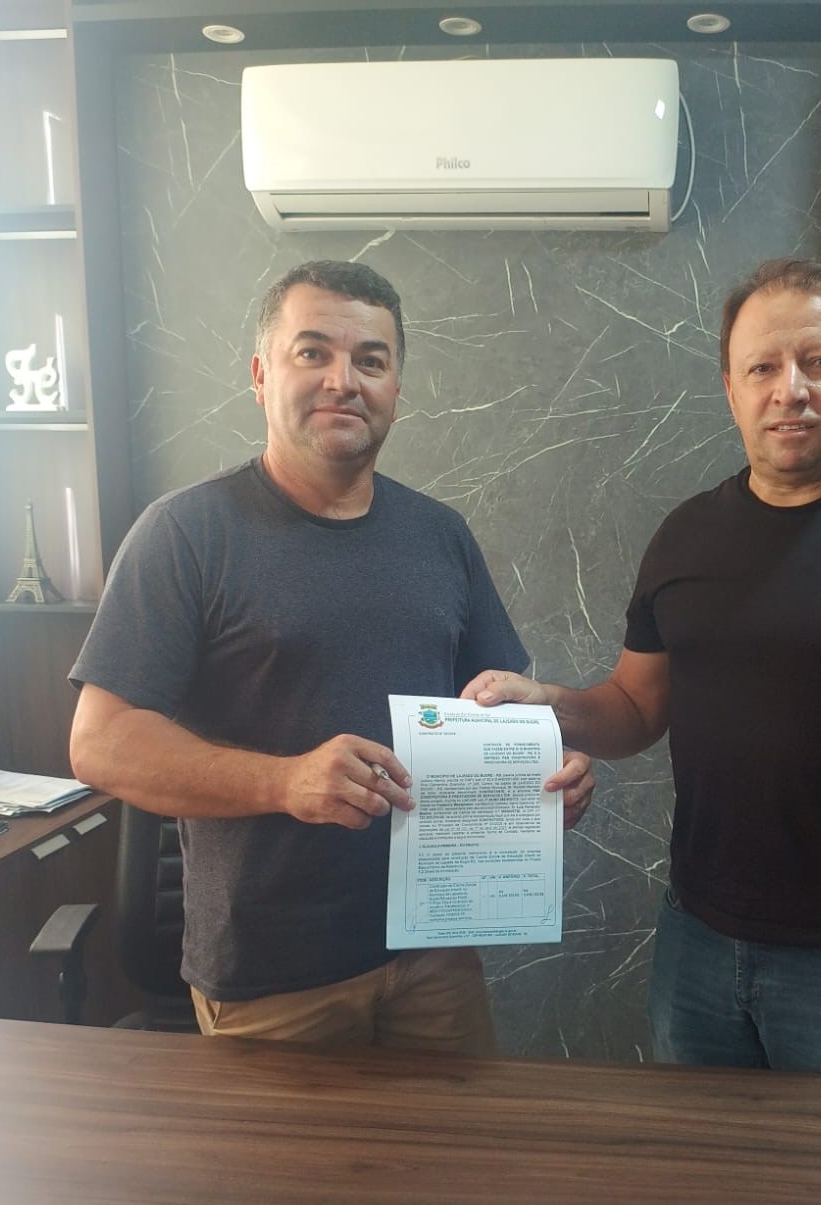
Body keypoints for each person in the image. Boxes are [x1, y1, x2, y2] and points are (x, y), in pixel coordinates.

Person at [464, 258, 821, 1153]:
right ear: (730, 387)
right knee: (696, 1171)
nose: (790, 390)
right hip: (696, 943)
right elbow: (633, 708)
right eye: (762, 367)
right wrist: (541, 703)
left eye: (820, 362)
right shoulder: (685, 535)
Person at [68, 259, 594, 1055]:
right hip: (271, 978)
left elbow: (494, 710)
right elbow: (99, 742)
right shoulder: (185, 535)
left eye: (369, 360)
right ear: (260, 375)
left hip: (434, 955)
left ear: (395, 389)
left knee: (459, 1142)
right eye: (312, 352)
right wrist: (283, 781)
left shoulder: (440, 536)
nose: (342, 380)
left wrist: (543, 777)